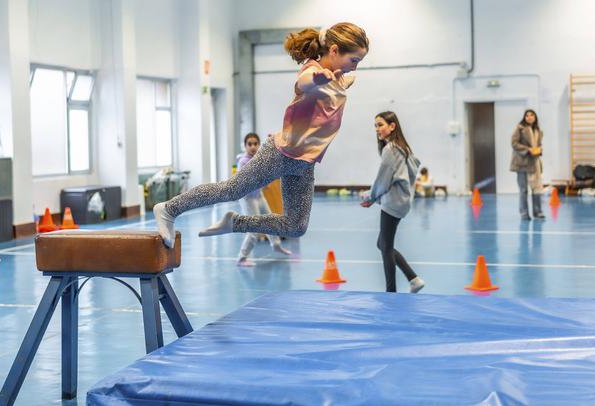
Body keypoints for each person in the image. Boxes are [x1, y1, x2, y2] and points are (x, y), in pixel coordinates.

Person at [154, 22, 369, 247]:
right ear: (334, 50)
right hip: (280, 153)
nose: (354, 67)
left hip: (305, 164)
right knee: (231, 190)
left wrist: (342, 79)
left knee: (296, 226)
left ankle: (235, 223)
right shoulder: (313, 71)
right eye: (353, 60)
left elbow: (342, 83)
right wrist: (318, 80)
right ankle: (168, 209)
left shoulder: (339, 77)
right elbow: (303, 83)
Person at [361, 112, 425, 293]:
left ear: (392, 126)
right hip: (401, 201)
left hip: (393, 202)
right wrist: (374, 196)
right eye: (375, 126)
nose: (377, 129)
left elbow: (383, 178)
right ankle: (413, 279)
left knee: (386, 247)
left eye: (380, 124)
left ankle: (391, 293)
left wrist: (371, 197)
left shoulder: (390, 149)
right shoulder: (403, 148)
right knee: (382, 244)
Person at [236, 133, 292, 266]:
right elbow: (249, 179)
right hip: (248, 198)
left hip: (258, 195)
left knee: (269, 219)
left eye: (255, 143)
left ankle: (276, 245)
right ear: (245, 146)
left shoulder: (259, 158)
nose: (253, 147)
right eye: (250, 144)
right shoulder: (243, 162)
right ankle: (242, 257)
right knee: (254, 228)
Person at [510, 109, 544, 220]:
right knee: (523, 190)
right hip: (522, 163)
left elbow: (538, 145)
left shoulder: (539, 130)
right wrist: (527, 149)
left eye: (531, 115)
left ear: (535, 117)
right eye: (527, 115)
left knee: (537, 188)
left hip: (534, 162)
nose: (529, 117)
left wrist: (539, 150)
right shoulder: (520, 128)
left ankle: (537, 212)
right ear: (524, 118)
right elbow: (514, 143)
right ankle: (524, 213)